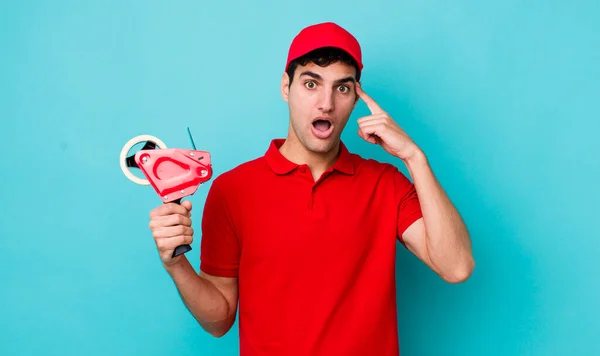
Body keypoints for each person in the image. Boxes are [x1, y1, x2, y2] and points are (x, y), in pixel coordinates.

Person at [148, 22, 475, 356]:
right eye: (310, 84)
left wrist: (414, 156)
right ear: (286, 87)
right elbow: (218, 321)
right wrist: (176, 265)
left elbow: (457, 266)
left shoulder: (385, 184)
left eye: (342, 89)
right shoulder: (232, 190)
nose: (326, 103)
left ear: (355, 98)